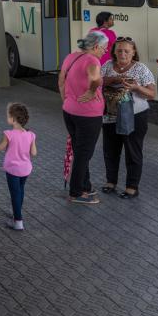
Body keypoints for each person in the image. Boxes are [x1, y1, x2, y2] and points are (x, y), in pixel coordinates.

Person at [100, 38, 156, 198]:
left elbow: (152, 94)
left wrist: (136, 87)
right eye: (119, 51)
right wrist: (115, 79)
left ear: (133, 52)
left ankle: (132, 187)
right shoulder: (108, 66)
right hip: (110, 115)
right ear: (114, 52)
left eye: (126, 51)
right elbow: (98, 82)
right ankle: (111, 182)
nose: (122, 54)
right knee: (110, 150)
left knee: (132, 151)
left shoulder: (141, 69)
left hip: (135, 116)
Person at [58, 31, 107, 204]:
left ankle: (85, 185)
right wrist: (92, 91)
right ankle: (76, 192)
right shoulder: (92, 60)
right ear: (95, 46)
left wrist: (66, 100)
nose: (104, 52)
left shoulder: (71, 57)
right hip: (88, 114)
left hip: (69, 111)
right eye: (103, 48)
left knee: (79, 150)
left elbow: (61, 80)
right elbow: (94, 79)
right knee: (83, 153)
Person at [0, 103, 37, 230]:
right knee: (20, 191)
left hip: (13, 169)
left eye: (8, 116)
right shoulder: (31, 134)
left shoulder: (8, 134)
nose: (7, 118)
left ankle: (18, 221)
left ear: (13, 119)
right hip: (26, 169)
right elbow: (34, 153)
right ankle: (17, 213)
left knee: (14, 194)